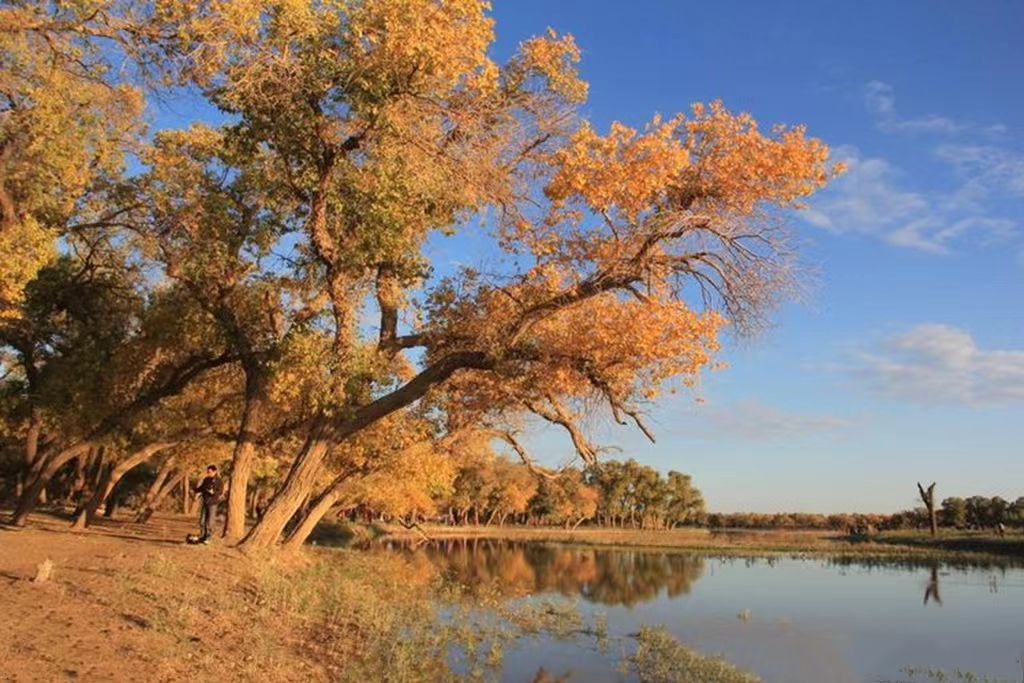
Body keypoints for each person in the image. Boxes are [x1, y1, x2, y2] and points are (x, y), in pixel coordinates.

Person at [193, 465, 224, 544]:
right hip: (205, 501)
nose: (208, 473)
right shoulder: (206, 480)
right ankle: (202, 535)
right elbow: (201, 488)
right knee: (202, 521)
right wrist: (195, 490)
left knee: (210, 521)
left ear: (215, 471)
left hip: (213, 503)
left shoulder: (219, 481)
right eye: (207, 472)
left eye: (209, 472)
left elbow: (220, 491)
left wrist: (213, 493)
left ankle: (209, 537)